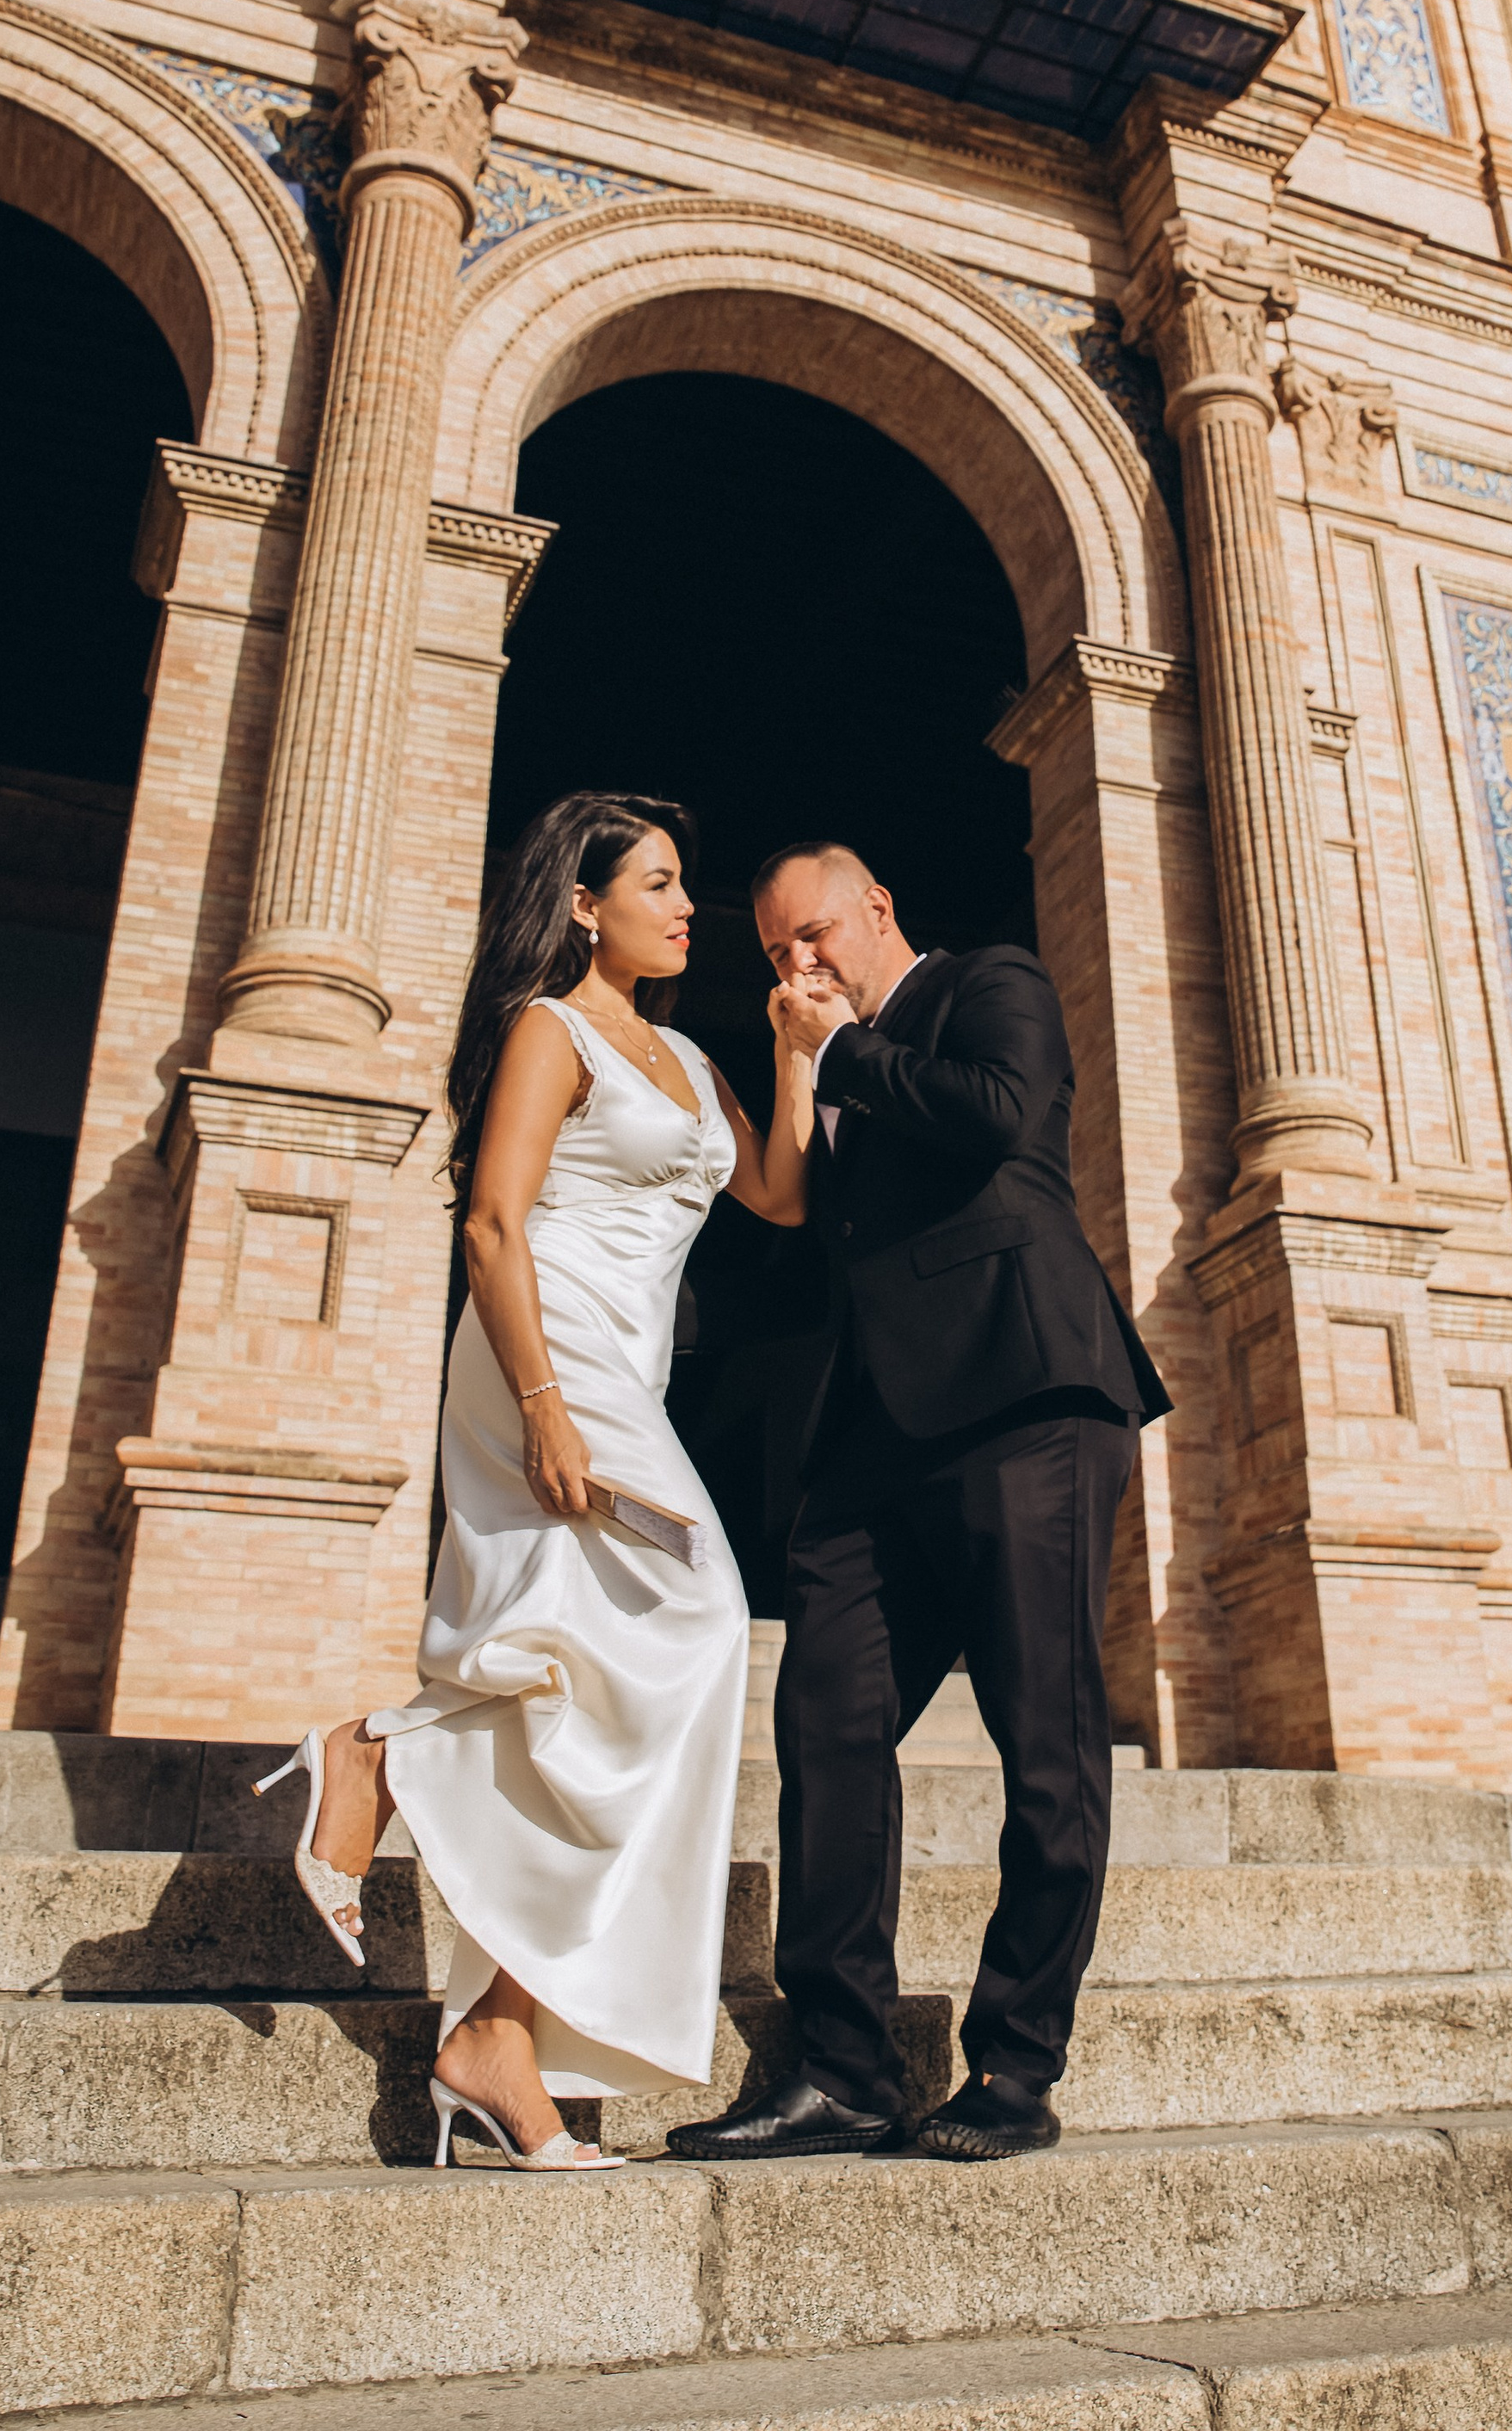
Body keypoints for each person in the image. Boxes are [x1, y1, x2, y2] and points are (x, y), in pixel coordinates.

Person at [256, 793, 812, 2169]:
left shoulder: (685, 1053)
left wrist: (798, 1055)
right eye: (663, 885)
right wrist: (546, 1407)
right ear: (584, 902)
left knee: (603, 1675)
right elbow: (494, 1219)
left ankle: (498, 2030)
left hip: (630, 1374)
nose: (690, 911)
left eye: (689, 890)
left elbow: (780, 1195)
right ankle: (384, 1756)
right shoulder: (546, 1030)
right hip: (545, 1353)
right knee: (692, 1626)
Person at [666, 842, 1170, 2167]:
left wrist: (836, 1055)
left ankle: (1014, 2065)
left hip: (1028, 1404)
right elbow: (802, 1238)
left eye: (815, 936)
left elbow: (1000, 1116)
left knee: (1046, 1746)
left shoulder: (987, 984)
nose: (797, 967)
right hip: (873, 1440)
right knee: (825, 1723)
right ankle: (840, 2066)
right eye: (775, 953)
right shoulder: (817, 1060)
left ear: (878, 907)